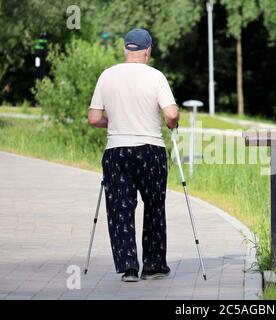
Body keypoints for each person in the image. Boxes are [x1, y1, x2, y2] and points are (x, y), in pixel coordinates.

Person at [88, 28, 179, 282]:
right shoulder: (156, 76)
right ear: (148, 51)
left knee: (120, 209)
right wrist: (172, 124)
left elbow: (94, 118)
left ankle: (128, 267)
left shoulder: (107, 76)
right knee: (154, 207)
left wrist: (114, 122)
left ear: (126, 49)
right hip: (150, 150)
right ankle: (153, 265)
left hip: (116, 151)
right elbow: (171, 114)